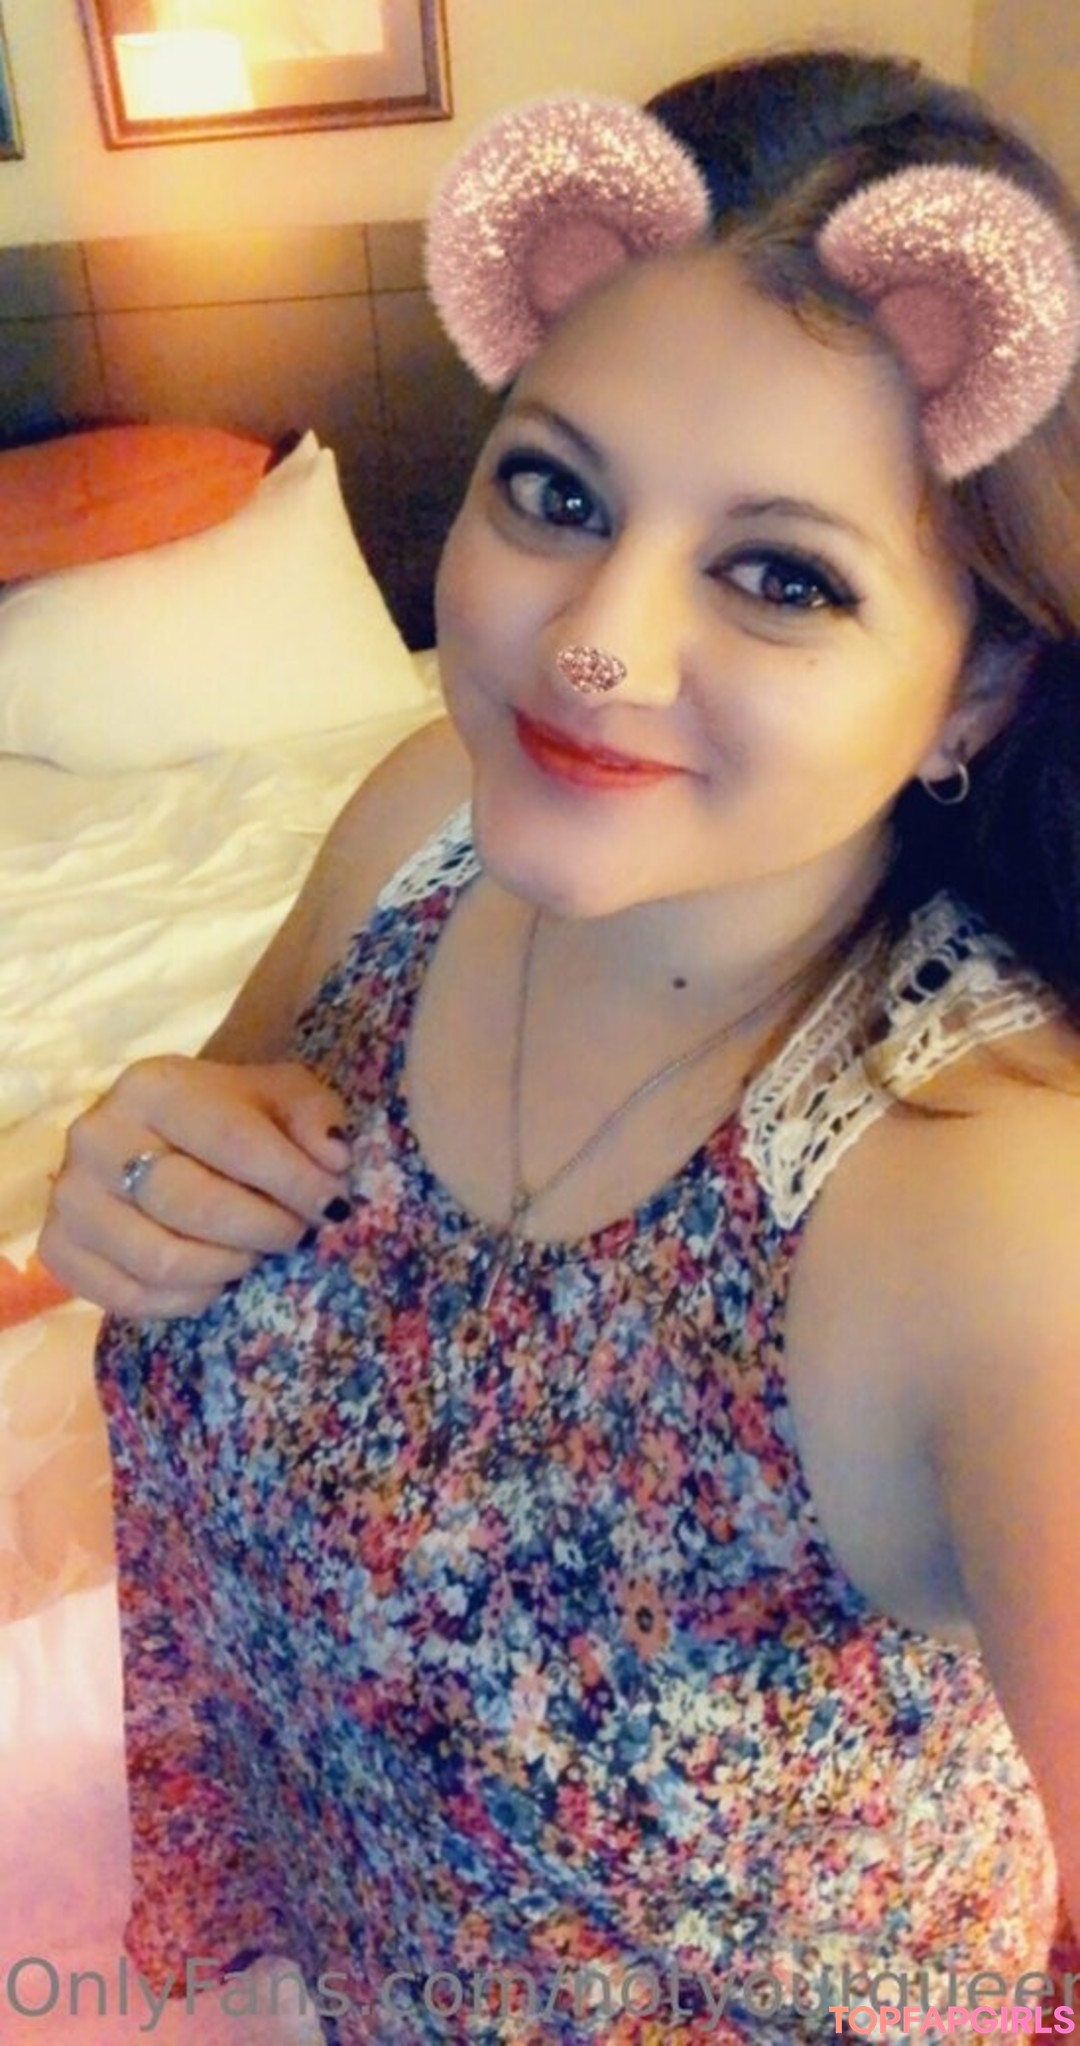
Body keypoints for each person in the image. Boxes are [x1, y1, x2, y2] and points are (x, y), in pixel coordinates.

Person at [40, 45, 1080, 2046]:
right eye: (556, 490)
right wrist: (132, 1174)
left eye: (782, 574)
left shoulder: (996, 1206)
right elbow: (185, 1173)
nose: (596, 639)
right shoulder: (420, 823)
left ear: (975, 690)